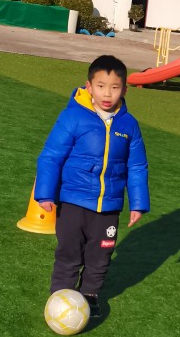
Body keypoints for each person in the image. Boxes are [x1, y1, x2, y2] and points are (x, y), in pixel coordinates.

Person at [35, 55, 150, 316]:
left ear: (125, 90)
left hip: (109, 206)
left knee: (100, 256)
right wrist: (45, 193)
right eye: (101, 86)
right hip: (73, 202)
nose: (107, 93)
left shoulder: (129, 125)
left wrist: (138, 204)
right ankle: (60, 297)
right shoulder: (72, 117)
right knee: (69, 253)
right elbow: (52, 156)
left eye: (114, 87)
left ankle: (90, 295)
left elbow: (137, 166)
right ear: (89, 87)